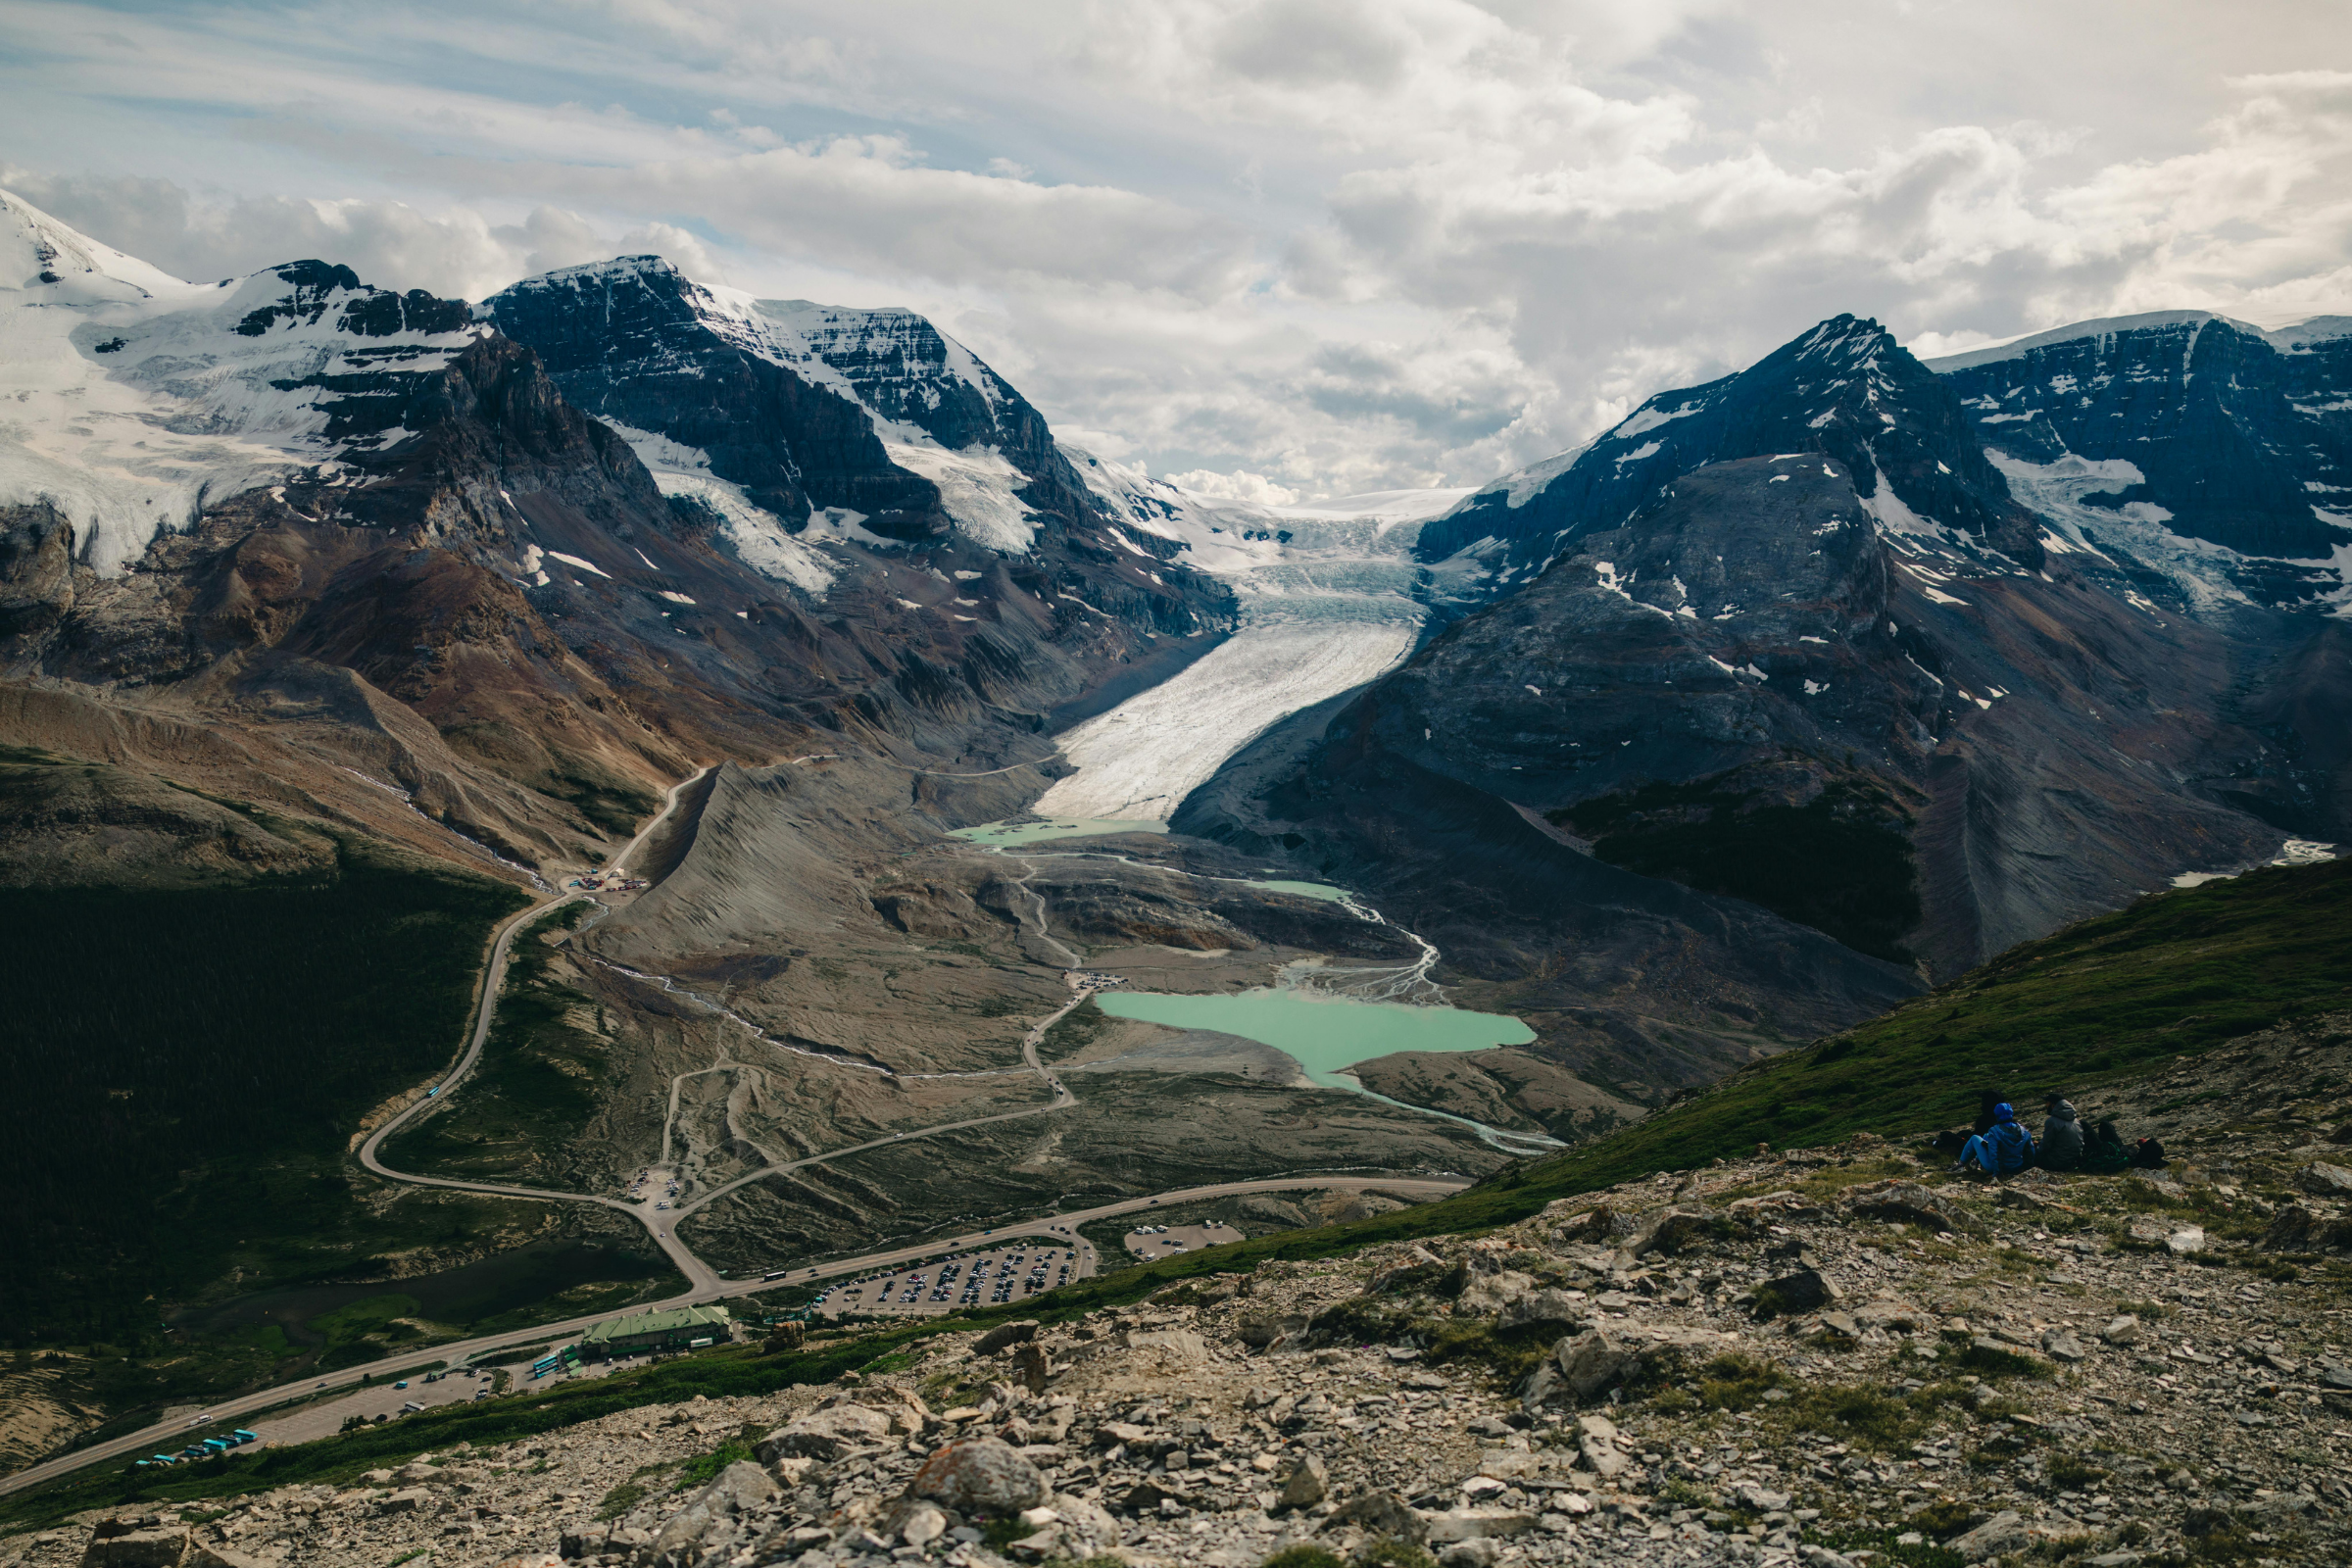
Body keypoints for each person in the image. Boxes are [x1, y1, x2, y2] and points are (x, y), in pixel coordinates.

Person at [1955, 1102, 2035, 1177]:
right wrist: (2027, 1168)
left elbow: (1993, 1153)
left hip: (2000, 1168)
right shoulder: (2023, 1130)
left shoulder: (1995, 1131)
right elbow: (2031, 1150)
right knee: (1986, 1135)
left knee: (1975, 1138)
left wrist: (1997, 1173)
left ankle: (1960, 1165)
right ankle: (1975, 1161)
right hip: (2017, 1166)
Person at [2039, 1094, 2085, 1171]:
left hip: (2057, 1162)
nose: (2046, 1105)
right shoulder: (2076, 1121)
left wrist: (2036, 1148)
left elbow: (2045, 1146)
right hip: (2073, 1160)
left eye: (2047, 1103)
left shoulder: (2052, 1121)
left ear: (2053, 1106)